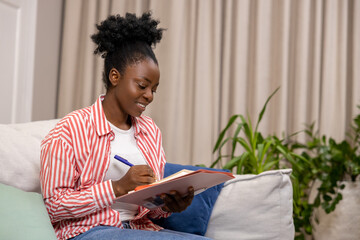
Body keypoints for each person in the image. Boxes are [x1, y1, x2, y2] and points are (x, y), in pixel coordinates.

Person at [40, 12, 211, 240]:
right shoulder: (69, 130)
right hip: (89, 231)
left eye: (154, 89)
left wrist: (169, 205)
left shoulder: (150, 131)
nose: (149, 96)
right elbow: (54, 206)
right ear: (114, 76)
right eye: (142, 85)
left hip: (139, 230)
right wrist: (117, 187)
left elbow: (150, 208)